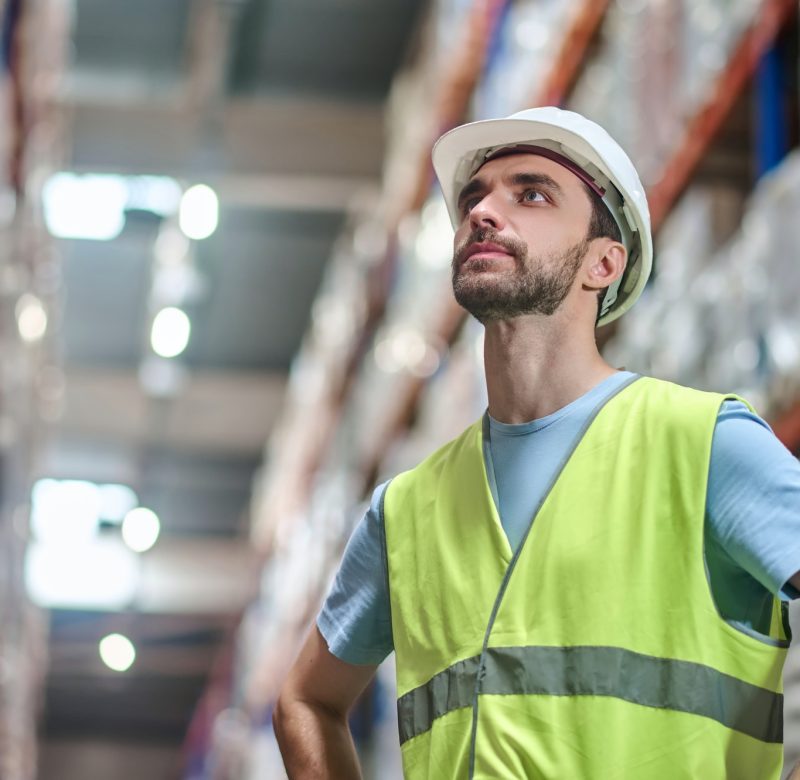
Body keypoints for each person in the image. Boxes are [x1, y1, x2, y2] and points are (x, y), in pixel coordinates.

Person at [273, 107, 800, 779]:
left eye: (530, 194)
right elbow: (305, 702)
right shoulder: (404, 512)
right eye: (474, 197)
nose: (483, 213)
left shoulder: (701, 447)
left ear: (603, 263)